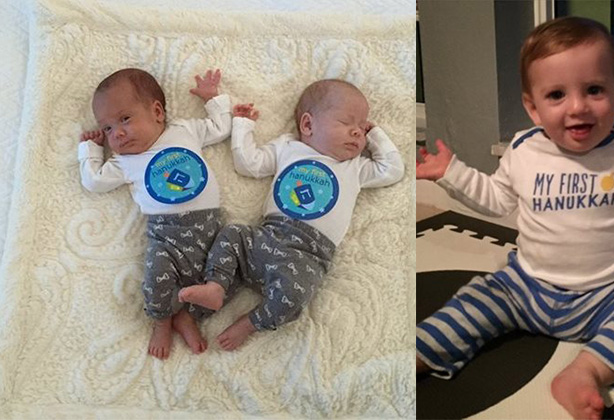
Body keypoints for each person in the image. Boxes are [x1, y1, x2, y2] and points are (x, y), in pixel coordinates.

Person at [415, 17, 614, 420]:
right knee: (472, 301)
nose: (578, 107)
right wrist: (452, 173)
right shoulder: (525, 150)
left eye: (594, 90)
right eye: (557, 94)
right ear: (533, 107)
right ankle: (419, 353)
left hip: (610, 291)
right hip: (524, 286)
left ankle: (585, 371)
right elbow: (496, 199)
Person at [177, 79, 405, 351]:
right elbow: (249, 164)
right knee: (232, 234)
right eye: (347, 123)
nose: (358, 132)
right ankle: (210, 291)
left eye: (362, 126)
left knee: (295, 295)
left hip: (307, 255)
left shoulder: (356, 168)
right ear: (308, 125)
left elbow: (393, 169)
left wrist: (376, 133)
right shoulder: (288, 148)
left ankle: (251, 322)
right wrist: (243, 126)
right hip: (266, 235)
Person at [78, 68, 241, 359]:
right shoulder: (124, 161)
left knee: (233, 270)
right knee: (156, 274)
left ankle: (188, 316)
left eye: (124, 119)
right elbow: (94, 181)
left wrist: (212, 99)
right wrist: (90, 148)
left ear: (156, 111)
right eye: (107, 129)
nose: (117, 133)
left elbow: (221, 128)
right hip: (167, 237)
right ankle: (162, 319)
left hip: (212, 231)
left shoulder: (183, 131)